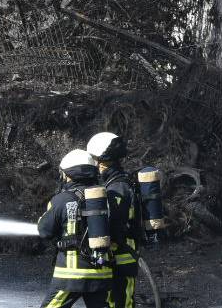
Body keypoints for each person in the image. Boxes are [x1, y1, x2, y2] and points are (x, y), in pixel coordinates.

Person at [37, 149, 113, 308]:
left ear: (68, 174)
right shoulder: (106, 198)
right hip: (101, 272)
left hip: (70, 275)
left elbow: (44, 231)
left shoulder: (61, 200)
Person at [87, 132, 145, 308]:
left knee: (122, 303)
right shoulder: (120, 182)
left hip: (121, 255)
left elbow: (116, 223)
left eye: (96, 160)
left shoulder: (117, 187)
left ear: (102, 161)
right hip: (120, 256)